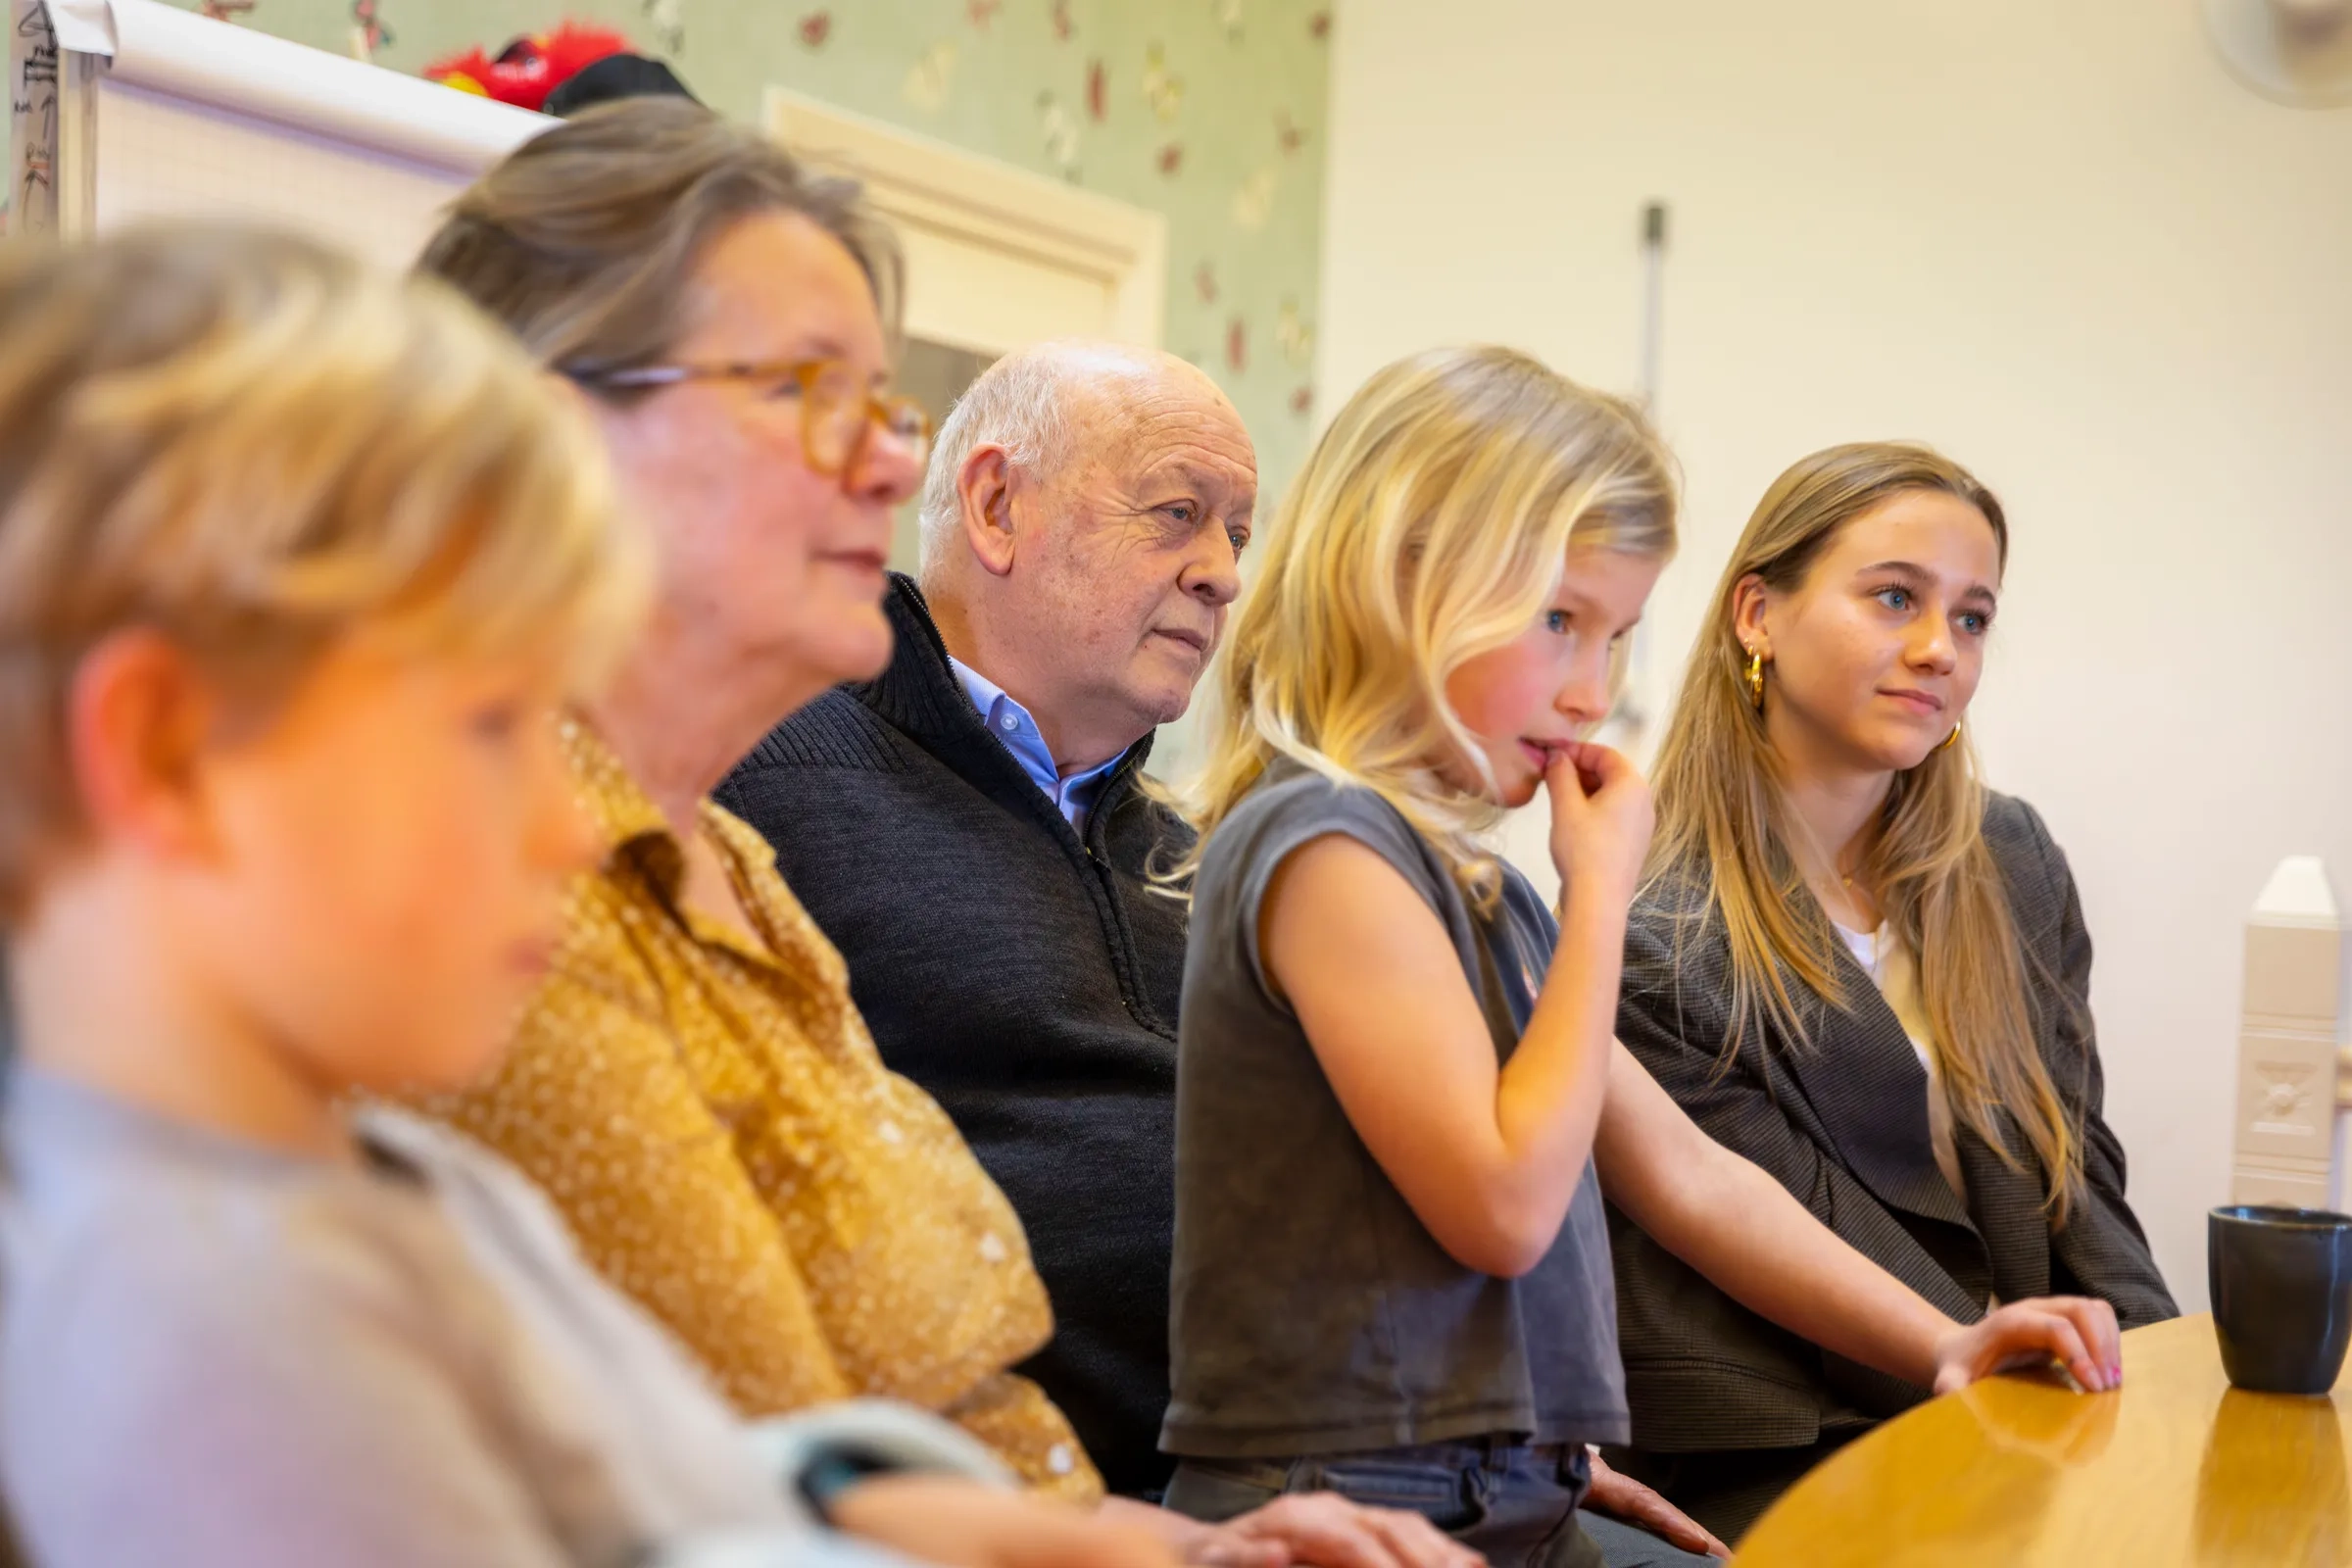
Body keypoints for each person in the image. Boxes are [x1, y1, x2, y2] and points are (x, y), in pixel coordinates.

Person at [0, 221, 1183, 1568]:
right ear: (164, 752)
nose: (574, 825)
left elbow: (662, 1480)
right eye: (489, 728)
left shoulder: (408, 1186)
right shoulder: (204, 1342)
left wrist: (891, 1507)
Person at [412, 98, 1463, 1568]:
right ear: (558, 427)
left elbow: (871, 1430)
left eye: (882, 410)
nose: (884, 468)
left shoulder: (741, 876)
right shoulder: (499, 879)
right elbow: (747, 1482)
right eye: (803, 395)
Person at [721, 340, 1719, 1567]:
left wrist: (1494, 1435)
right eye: (1180, 516)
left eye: (1240, 534)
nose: (1224, 576)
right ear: (994, 506)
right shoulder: (768, 776)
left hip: (1372, 1460)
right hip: (1046, 1502)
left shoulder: (1186, 847)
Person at [1154, 347, 2129, 1568]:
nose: (1591, 691)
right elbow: (1507, 1206)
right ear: (1399, 580)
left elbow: (1689, 1175)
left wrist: (1940, 1343)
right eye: (1561, 621)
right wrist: (1604, 890)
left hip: (1501, 1486)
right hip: (1344, 1509)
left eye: (1614, 638)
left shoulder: (1474, 887)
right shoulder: (1324, 849)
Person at [1605, 441, 2178, 1543]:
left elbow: (2080, 1178)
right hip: (1800, 1447)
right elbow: (1821, 1233)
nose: (1937, 650)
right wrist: (2033, 1400)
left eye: (1971, 618)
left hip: (2025, 1413)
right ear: (1756, 615)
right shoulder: (1654, 926)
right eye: (1895, 599)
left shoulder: (2010, 860)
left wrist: (2156, 1378)